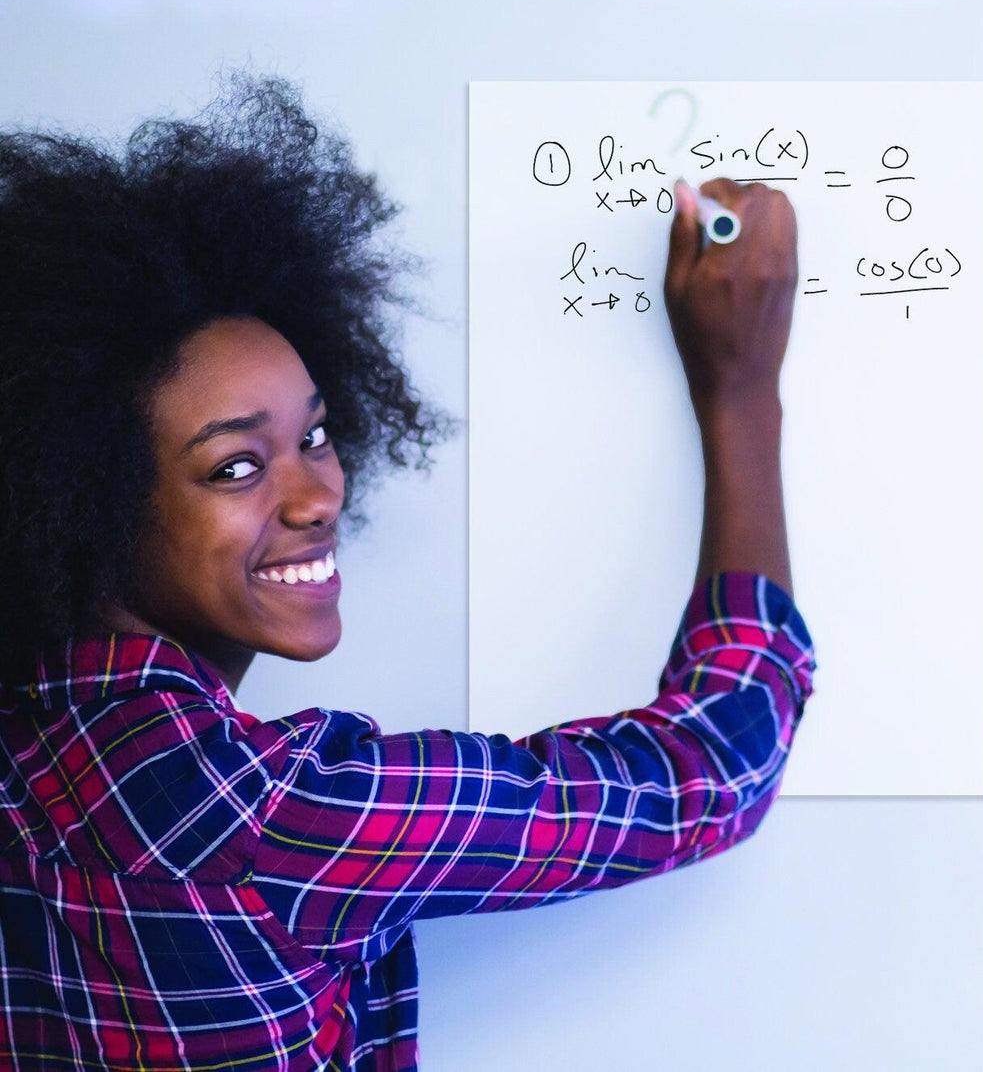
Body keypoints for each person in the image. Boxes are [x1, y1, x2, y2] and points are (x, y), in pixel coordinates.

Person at [0, 72, 816, 1070]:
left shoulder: (33, 745)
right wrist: (739, 393)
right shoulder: (265, 814)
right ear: (81, 487)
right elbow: (703, 775)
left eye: (317, 433)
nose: (317, 496)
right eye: (236, 465)